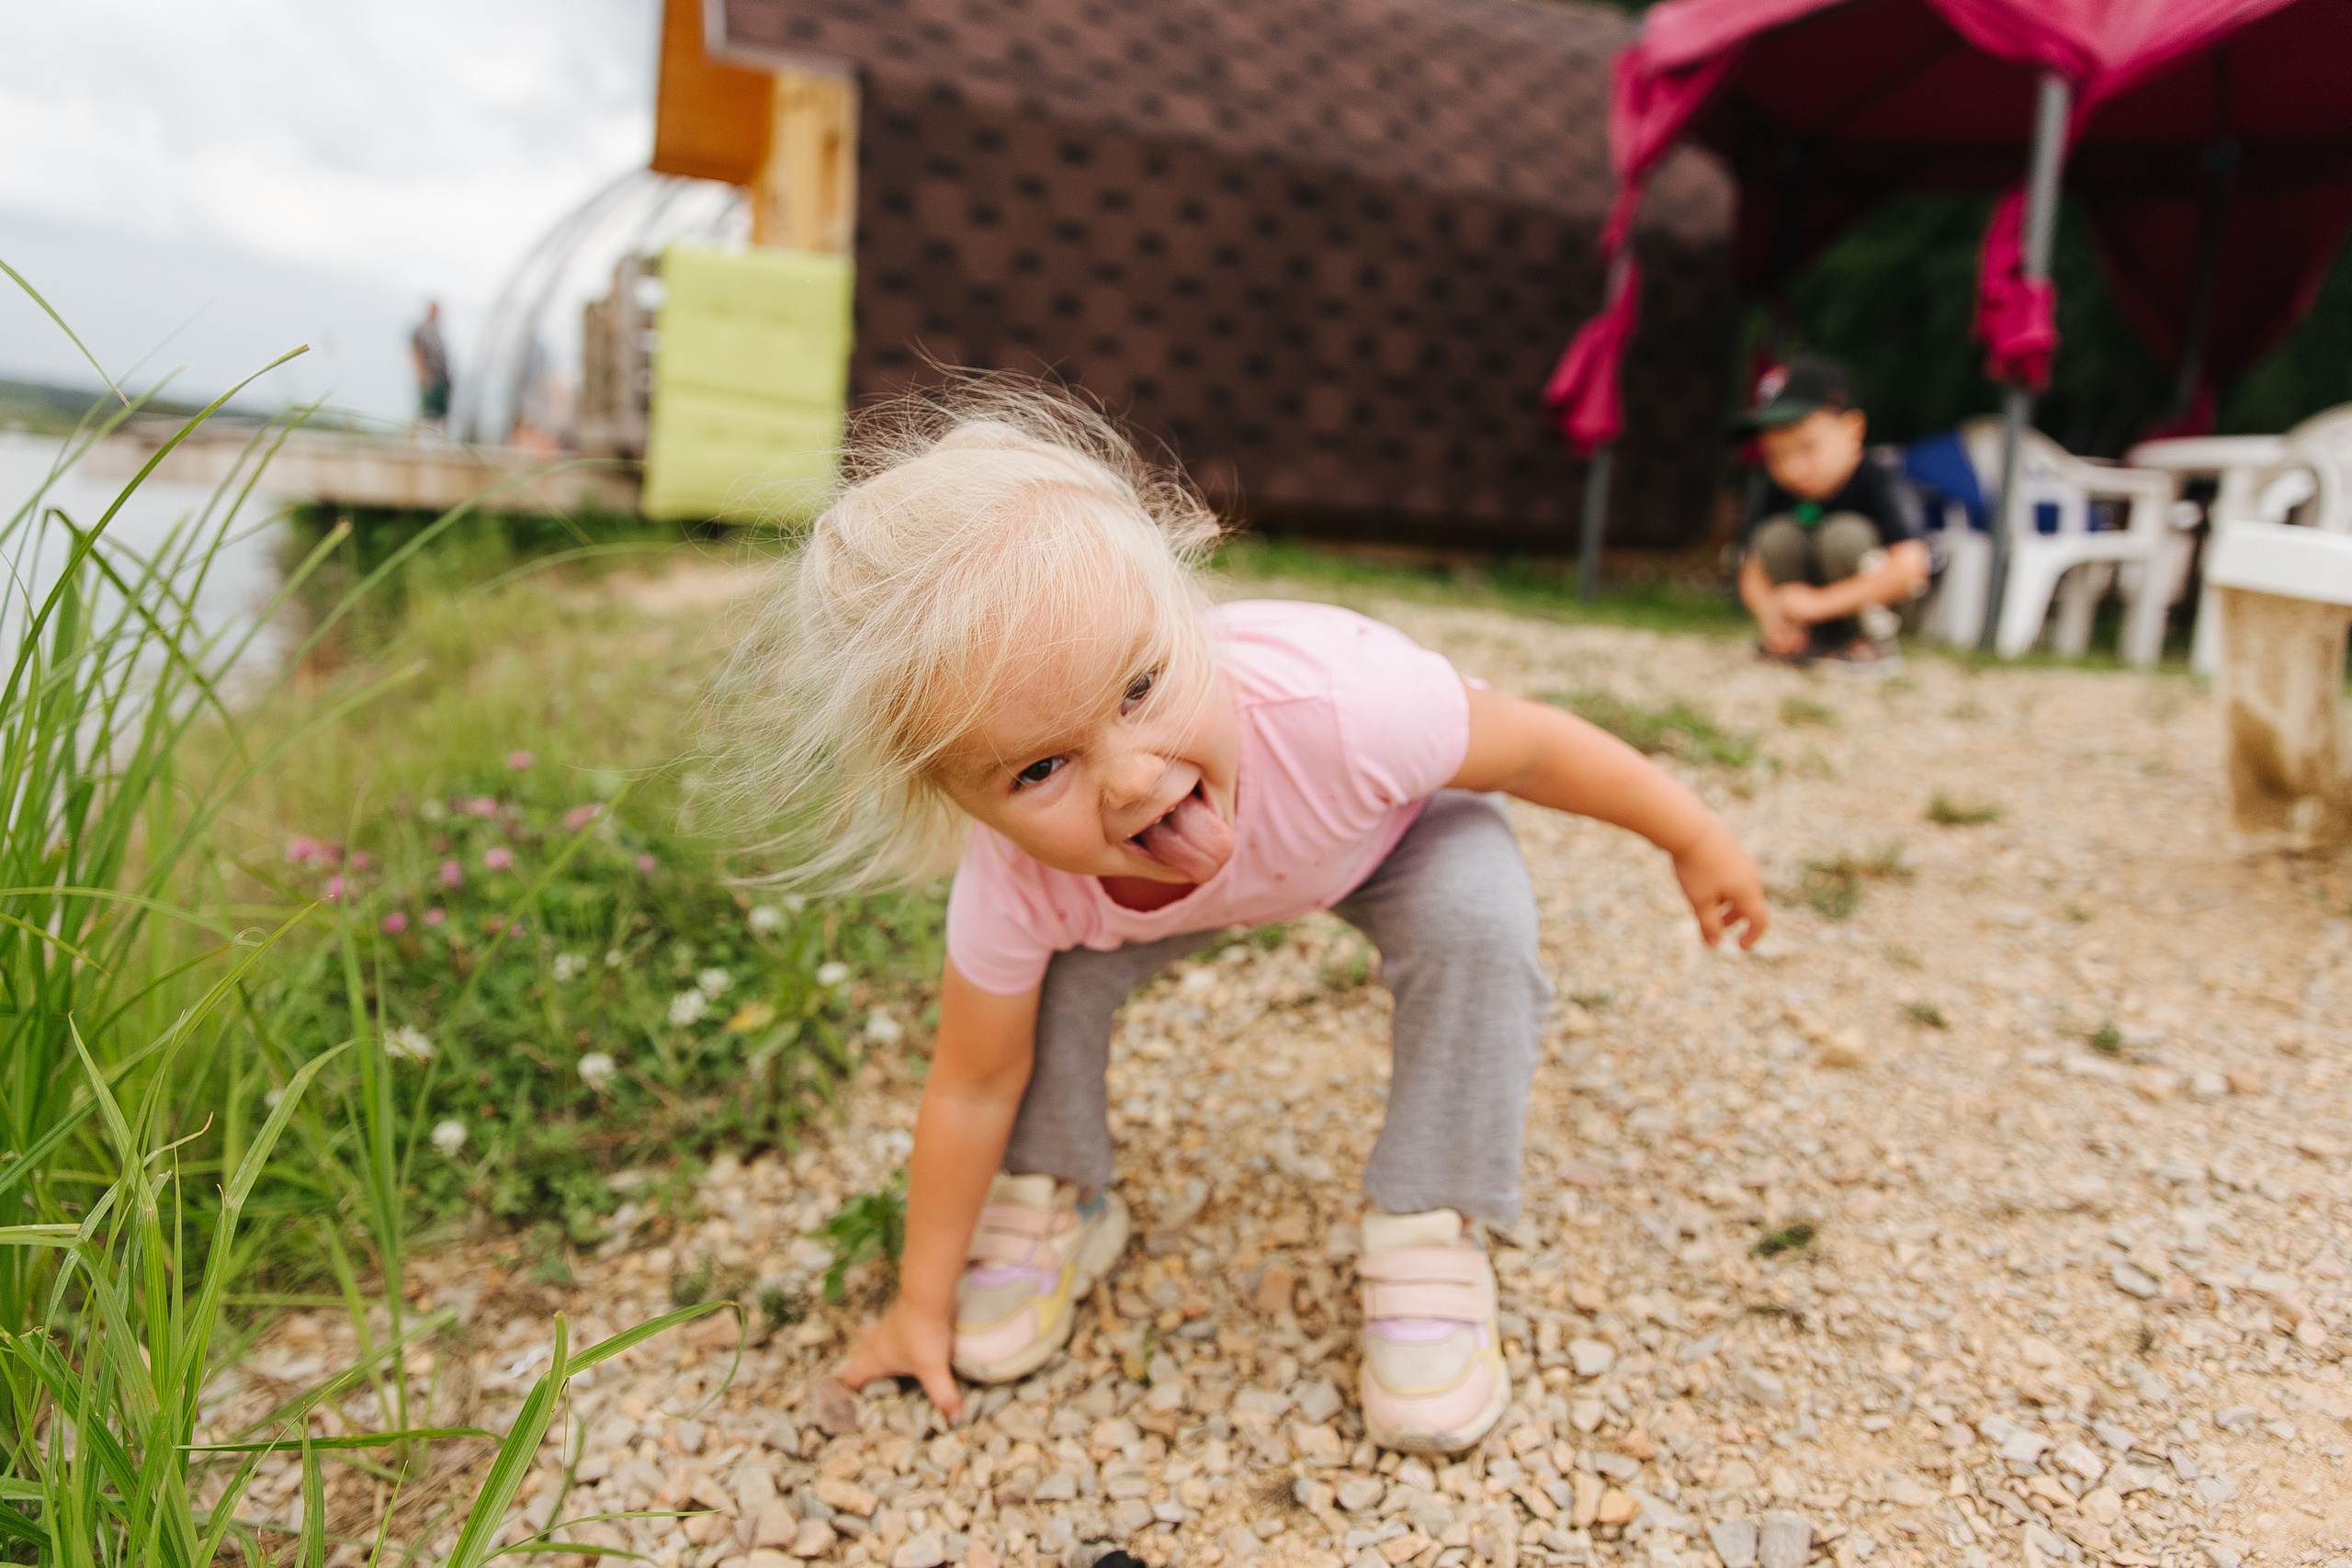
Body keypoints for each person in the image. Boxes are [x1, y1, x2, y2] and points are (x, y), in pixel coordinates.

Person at [733, 381, 1770, 1453]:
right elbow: (969, 1083)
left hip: (1385, 833)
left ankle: (1429, 1216)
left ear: (1189, 615)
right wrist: (917, 1300)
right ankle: (1055, 1192)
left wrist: (1690, 834)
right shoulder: (1017, 882)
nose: (1132, 781)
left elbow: (1540, 749)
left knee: (1475, 921)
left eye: (1139, 688)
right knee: (1047, 989)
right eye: (1041, 766)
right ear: (950, 798)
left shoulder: (1347, 710)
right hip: (1145, 899)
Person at [1733, 355, 1931, 672]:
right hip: (1805, 610)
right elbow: (1751, 566)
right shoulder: (1776, 487)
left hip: (1874, 607)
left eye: (1807, 448)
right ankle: (1803, 638)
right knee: (1775, 536)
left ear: (1854, 429)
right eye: (1775, 455)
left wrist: (1819, 604)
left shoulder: (1879, 477)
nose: (1790, 468)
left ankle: (1869, 641)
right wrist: (1770, 611)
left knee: (1843, 535)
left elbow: (1911, 566)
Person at [410, 300, 451, 431]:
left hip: (441, 376)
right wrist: (422, 374)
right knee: (426, 410)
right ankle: (412, 440)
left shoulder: (437, 331)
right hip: (430, 375)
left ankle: (443, 443)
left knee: (440, 412)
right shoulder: (422, 330)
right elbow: (416, 351)